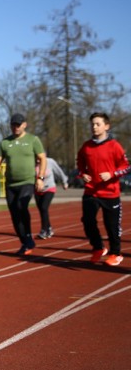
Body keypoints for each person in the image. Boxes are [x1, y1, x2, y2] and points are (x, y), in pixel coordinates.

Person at [77, 112, 129, 266]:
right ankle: (98, 247)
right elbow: (79, 162)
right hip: (91, 190)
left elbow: (126, 167)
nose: (94, 127)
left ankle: (116, 253)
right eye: (92, 124)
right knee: (87, 220)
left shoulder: (114, 146)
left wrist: (112, 174)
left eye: (97, 124)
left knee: (111, 225)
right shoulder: (86, 146)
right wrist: (83, 173)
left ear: (106, 126)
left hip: (110, 191)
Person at [0, 113, 47, 255]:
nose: (15, 127)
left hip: (27, 181)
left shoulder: (33, 140)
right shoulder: (5, 143)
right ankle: (25, 241)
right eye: (13, 124)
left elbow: (42, 158)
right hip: (10, 184)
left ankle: (27, 236)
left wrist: (40, 177)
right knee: (14, 213)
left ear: (24, 125)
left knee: (21, 206)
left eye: (18, 124)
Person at [34, 156, 68, 239]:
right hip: (37, 190)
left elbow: (59, 172)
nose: (38, 160)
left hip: (49, 188)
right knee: (42, 210)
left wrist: (64, 181)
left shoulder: (50, 162)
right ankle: (49, 228)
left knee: (44, 207)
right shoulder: (32, 163)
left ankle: (44, 230)